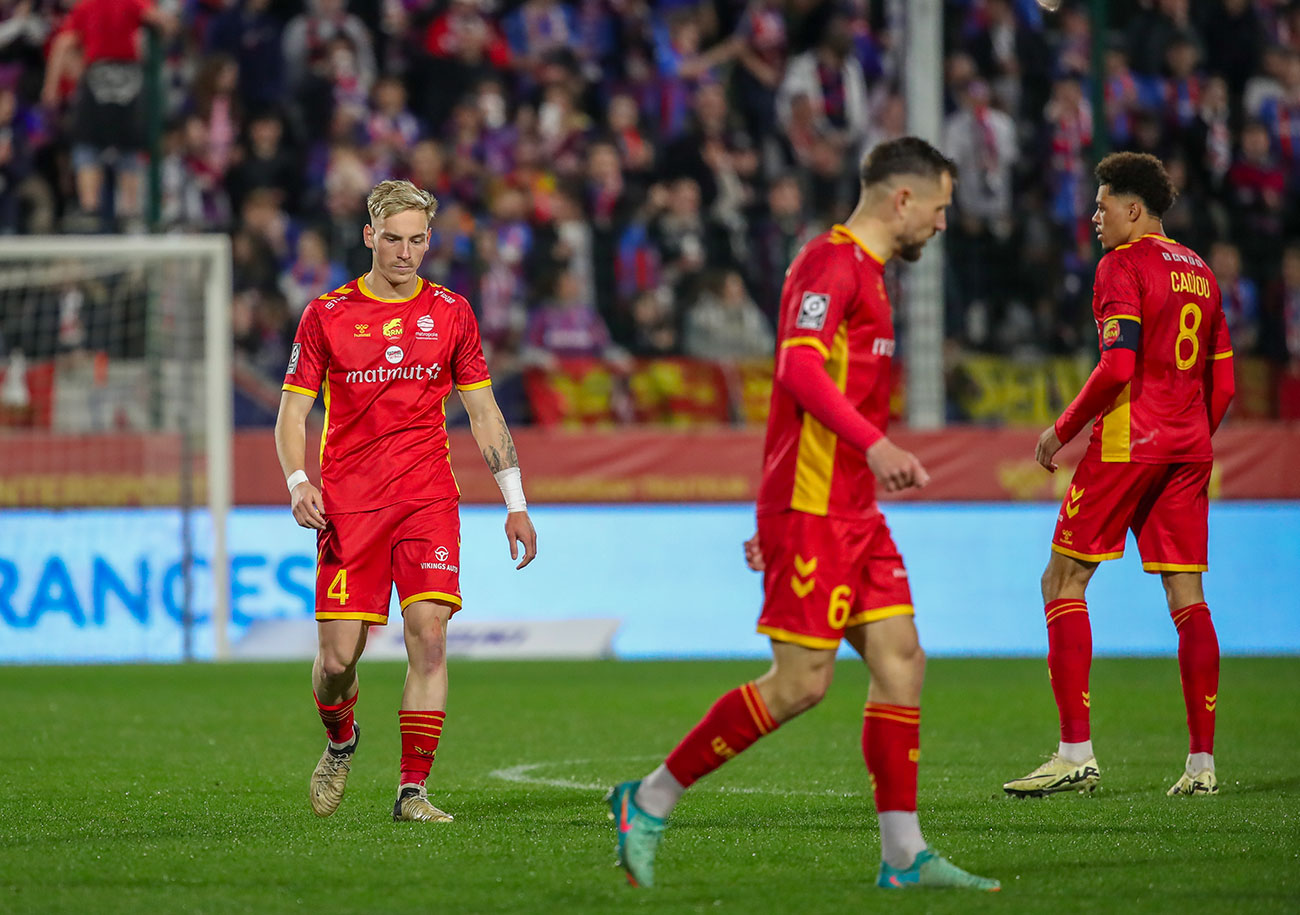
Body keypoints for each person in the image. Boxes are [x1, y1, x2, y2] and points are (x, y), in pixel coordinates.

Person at [607, 137, 999, 892]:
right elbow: (796, 367)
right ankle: (649, 799)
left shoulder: (876, 279)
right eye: (941, 207)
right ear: (904, 199)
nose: (944, 224)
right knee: (799, 684)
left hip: (852, 508)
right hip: (814, 505)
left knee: (901, 661)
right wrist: (871, 447)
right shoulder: (830, 262)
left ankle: (902, 853)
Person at [274, 179, 538, 823]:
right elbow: (291, 414)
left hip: (426, 497)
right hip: (349, 504)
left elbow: (482, 412)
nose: (405, 253)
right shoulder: (326, 315)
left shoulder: (451, 312)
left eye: (418, 240)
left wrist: (516, 501)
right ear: (369, 236)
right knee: (339, 660)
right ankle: (341, 740)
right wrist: (298, 481)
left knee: (430, 637)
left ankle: (412, 791)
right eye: (392, 240)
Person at [1002, 152, 1234, 800]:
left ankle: (1075, 751)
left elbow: (1118, 366)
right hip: (1189, 449)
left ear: (1134, 209)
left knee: (1062, 579)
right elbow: (1227, 382)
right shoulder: (1203, 274)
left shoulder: (1121, 265)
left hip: (1130, 440)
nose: (1094, 216)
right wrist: (1189, 436)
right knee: (1188, 599)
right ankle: (1201, 765)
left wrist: (1060, 430)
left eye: (1102, 205)